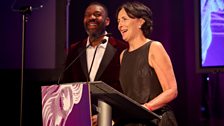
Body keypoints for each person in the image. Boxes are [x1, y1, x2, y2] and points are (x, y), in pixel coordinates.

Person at [62, 1, 127, 126]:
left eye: (97, 14)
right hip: (80, 120)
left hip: (113, 121)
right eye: (88, 15)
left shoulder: (122, 48)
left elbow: (128, 91)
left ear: (107, 21)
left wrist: (109, 116)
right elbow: (67, 85)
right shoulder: (74, 49)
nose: (92, 17)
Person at [115, 1, 178, 126]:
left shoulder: (154, 47)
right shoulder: (123, 55)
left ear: (140, 22)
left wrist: (146, 107)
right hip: (134, 121)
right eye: (118, 21)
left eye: (124, 19)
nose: (120, 25)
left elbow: (171, 90)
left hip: (156, 120)